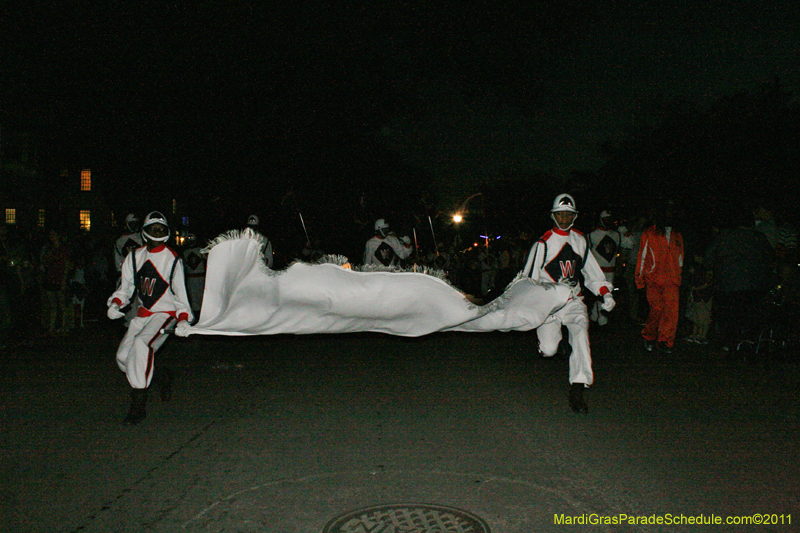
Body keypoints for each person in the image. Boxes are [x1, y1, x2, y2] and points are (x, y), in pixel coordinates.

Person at [522, 193, 615, 414]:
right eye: (560, 214)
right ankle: (559, 347)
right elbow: (528, 279)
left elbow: (592, 272)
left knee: (581, 334)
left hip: (574, 300)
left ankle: (578, 389)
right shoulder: (543, 244)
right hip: (548, 303)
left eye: (568, 214)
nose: (564, 218)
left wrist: (605, 294)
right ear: (553, 215)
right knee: (548, 350)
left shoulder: (580, 240)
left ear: (574, 216)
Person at [107, 211, 193, 425]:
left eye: (161, 229)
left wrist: (183, 319)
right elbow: (125, 287)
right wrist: (116, 302)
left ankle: (138, 405)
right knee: (123, 357)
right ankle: (160, 375)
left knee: (141, 345)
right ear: (144, 232)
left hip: (164, 314)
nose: (157, 232)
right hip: (142, 314)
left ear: (167, 233)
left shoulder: (173, 258)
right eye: (153, 228)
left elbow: (180, 294)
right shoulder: (134, 257)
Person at [635, 201, 684, 353]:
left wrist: (679, 276)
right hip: (654, 280)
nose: (669, 216)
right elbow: (642, 258)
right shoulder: (649, 233)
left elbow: (680, 259)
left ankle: (665, 341)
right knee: (656, 310)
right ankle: (649, 335)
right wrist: (640, 279)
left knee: (671, 313)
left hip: (672, 281)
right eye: (667, 213)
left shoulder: (677, 235)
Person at [587, 210, 627, 326]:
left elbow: (629, 244)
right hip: (597, 271)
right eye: (606, 219)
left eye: (610, 219)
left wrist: (626, 233)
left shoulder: (616, 234)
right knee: (600, 294)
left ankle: (595, 314)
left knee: (607, 294)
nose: (608, 221)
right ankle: (602, 320)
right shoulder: (592, 235)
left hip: (611, 271)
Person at [182, 234, 206, 318]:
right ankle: (195, 314)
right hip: (191, 277)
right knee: (193, 296)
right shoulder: (185, 252)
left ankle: (202, 313)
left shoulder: (200, 250)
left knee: (201, 295)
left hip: (200, 277)